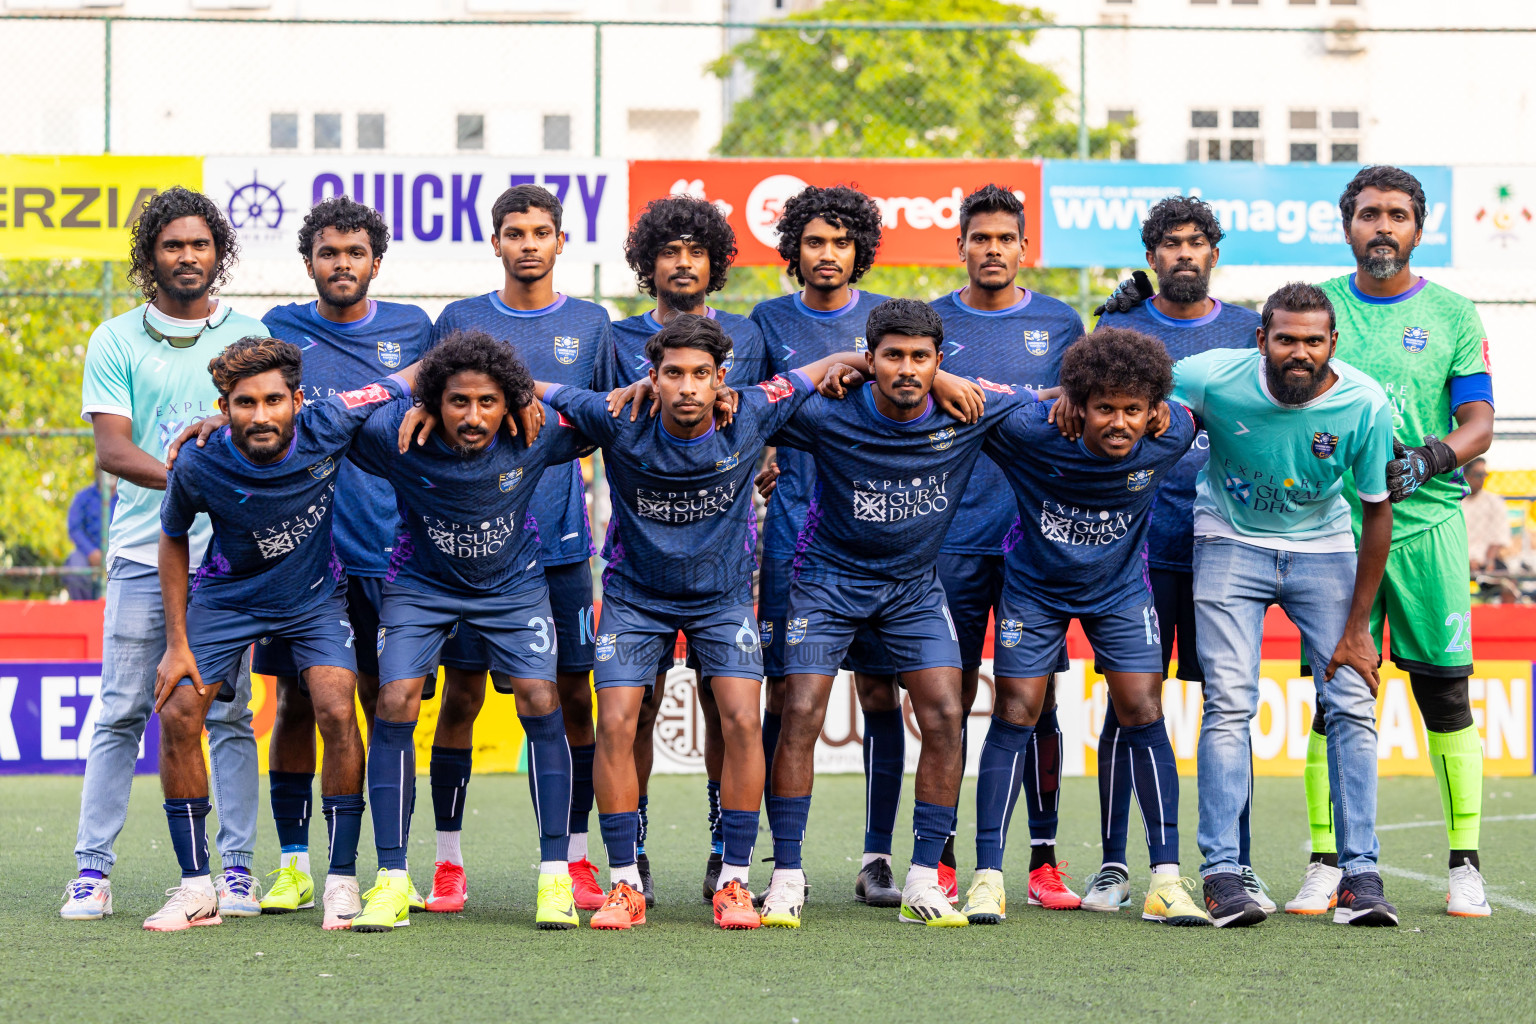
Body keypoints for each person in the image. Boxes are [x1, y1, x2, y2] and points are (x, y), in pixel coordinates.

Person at [539, 315, 864, 930]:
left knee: (742, 717)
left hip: (722, 597)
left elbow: (829, 366)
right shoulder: (617, 416)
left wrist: (935, 377)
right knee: (616, 719)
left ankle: (735, 882)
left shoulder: (754, 411)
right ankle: (625, 883)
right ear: (652, 378)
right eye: (672, 374)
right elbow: (528, 384)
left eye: (700, 375)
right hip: (636, 596)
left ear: (722, 379)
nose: (687, 387)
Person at [758, 298, 1030, 929]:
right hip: (828, 580)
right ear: (871, 357)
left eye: (921, 358)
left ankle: (923, 878)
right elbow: (747, 403)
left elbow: (1054, 398)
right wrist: (834, 361)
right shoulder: (828, 408)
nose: (907, 369)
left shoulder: (968, 409)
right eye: (892, 356)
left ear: (940, 361)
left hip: (912, 588)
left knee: (943, 713)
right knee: (800, 710)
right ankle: (787, 877)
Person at [145, 337, 411, 931]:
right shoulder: (198, 460)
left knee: (338, 710)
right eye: (243, 404)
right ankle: (195, 889)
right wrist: (177, 642)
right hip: (228, 595)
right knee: (180, 711)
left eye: (272, 401)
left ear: (296, 400)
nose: (259, 415)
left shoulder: (330, 421)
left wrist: (515, 391)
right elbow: (172, 536)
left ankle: (341, 880)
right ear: (225, 405)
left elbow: (406, 377)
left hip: (315, 596)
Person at [345, 329, 593, 932]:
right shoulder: (397, 435)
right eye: (458, 401)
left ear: (509, 403)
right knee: (396, 698)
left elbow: (609, 419)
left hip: (513, 586)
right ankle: (393, 879)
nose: (473, 415)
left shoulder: (536, 432)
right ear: (434, 402)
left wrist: (537, 394)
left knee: (541, 695)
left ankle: (555, 875)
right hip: (421, 585)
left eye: (488, 401)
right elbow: (325, 422)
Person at [63, 187, 264, 922]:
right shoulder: (116, 338)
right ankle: (92, 872)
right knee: (121, 711)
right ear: (151, 257)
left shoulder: (251, 337)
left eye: (201, 244)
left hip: (231, 564)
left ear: (220, 254)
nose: (188, 256)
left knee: (228, 719)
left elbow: (272, 428)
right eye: (173, 245)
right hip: (145, 557)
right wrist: (197, 479)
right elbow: (113, 448)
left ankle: (237, 871)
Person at [962, 328, 1207, 927]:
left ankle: (1166, 882)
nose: (1119, 423)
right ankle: (988, 879)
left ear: (1153, 410)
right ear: (1078, 405)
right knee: (1018, 710)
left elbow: (1200, 409)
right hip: (1034, 589)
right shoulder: (1033, 430)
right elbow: (971, 398)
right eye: (1103, 407)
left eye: (1132, 409)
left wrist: (1164, 407)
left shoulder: (1169, 431)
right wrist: (1053, 393)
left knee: (1144, 710)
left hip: (1120, 590)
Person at [414, 184, 615, 914]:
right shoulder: (460, 320)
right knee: (461, 698)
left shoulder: (594, 325)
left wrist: (543, 400)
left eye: (541, 232)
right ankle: (447, 861)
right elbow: (430, 410)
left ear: (562, 242)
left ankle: (574, 859)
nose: (528, 243)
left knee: (568, 700)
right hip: (470, 550)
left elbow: (604, 421)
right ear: (494, 242)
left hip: (558, 547)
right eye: (514, 232)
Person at [1302, 166, 1496, 918]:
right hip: (1338, 532)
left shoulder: (1450, 312)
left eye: (1398, 216)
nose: (1382, 227)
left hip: (1429, 529)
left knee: (1445, 695)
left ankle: (1466, 866)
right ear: (1346, 223)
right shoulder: (1319, 309)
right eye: (1369, 214)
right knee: (1335, 695)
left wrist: (1431, 457)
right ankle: (1325, 862)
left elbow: (1480, 423)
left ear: (1420, 227)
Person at [1183, 282, 1398, 927]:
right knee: (1228, 703)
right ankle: (1222, 873)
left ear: (1333, 343)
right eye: (1285, 340)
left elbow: (1377, 510)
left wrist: (1359, 628)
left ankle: (1360, 874)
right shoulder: (1211, 377)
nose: (1298, 352)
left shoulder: (1364, 401)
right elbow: (1126, 387)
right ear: (1261, 342)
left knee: (1352, 700)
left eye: (1312, 340)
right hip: (1228, 539)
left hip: (1325, 548)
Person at [244, 195, 436, 916]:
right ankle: (295, 863)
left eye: (356, 253)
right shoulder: (282, 330)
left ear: (376, 263)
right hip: (304, 558)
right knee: (298, 702)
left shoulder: (414, 329)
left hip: (395, 554)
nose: (342, 264)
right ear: (309, 264)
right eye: (329, 253)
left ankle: (392, 867)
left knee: (393, 707)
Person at [1088, 195, 1267, 914]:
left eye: (1197, 242)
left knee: (1228, 705)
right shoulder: (1120, 326)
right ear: (1152, 253)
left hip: (1230, 540)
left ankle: (1238, 865)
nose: (1184, 253)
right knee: (1130, 702)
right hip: (1141, 543)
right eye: (1170, 243)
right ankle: (1111, 863)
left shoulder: (1252, 329)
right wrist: (1105, 324)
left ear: (1214, 252)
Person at [927, 183, 1085, 906]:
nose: (992, 250)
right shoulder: (930, 323)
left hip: (1031, 541)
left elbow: (1081, 419)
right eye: (979, 238)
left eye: (1005, 239)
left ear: (1026, 248)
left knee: (1034, 702)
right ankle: (946, 854)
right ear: (959, 246)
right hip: (950, 538)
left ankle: (1043, 860)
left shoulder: (1060, 323)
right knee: (946, 703)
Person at [609, 194, 768, 903]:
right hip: (637, 559)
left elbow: (772, 410)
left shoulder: (747, 333)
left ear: (715, 262)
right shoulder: (615, 340)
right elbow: (590, 420)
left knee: (724, 702)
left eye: (694, 250)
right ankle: (630, 851)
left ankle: (722, 851)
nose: (681, 261)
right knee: (633, 708)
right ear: (647, 262)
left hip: (723, 557)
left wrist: (760, 453)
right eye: (667, 250)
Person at [748, 185, 903, 908]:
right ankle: (787, 859)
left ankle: (876, 856)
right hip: (792, 532)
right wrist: (766, 454)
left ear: (859, 249)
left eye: (841, 242)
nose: (828, 254)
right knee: (789, 691)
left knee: (879, 691)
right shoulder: (766, 320)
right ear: (794, 251)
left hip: (875, 532)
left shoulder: (888, 322)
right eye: (815, 241)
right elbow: (747, 412)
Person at [64, 476, 117, 601]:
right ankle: (82, 612)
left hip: (118, 552)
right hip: (89, 553)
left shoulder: (127, 498)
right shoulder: (83, 497)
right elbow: (74, 528)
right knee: (75, 567)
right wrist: (91, 552)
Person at [1463, 458, 1513, 573]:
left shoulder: (1494, 501)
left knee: (1508, 585)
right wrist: (1467, 559)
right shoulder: (1455, 502)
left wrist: (1488, 560)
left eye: (1484, 474)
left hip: (1487, 559)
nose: (1482, 479)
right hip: (1459, 558)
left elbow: (1499, 535)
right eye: (1478, 474)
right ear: (1465, 475)